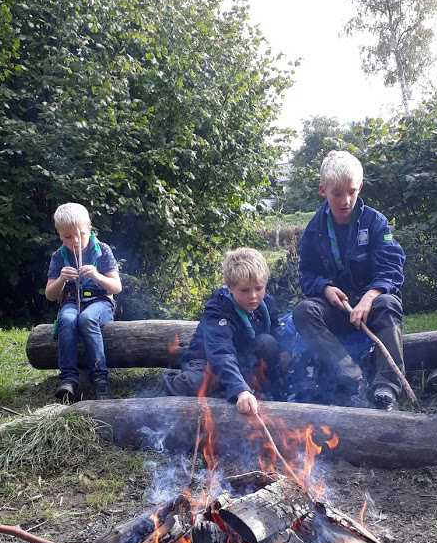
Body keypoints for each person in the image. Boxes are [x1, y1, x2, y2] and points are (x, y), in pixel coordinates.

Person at [292, 150, 406, 409]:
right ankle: (350, 375)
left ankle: (386, 387)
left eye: (352, 192)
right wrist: (325, 288)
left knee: (389, 303)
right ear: (323, 190)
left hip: (371, 308)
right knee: (304, 311)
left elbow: (392, 267)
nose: (346, 200)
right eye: (337, 194)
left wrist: (370, 296)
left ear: (360, 187)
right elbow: (307, 274)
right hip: (336, 309)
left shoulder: (375, 222)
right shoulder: (314, 229)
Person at [163, 247, 282, 415]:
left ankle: (262, 389)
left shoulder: (267, 304)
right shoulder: (217, 310)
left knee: (268, 342)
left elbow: (277, 334)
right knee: (195, 384)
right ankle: (171, 381)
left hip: (243, 360)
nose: (253, 296)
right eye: (245, 290)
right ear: (231, 288)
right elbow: (221, 352)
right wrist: (241, 390)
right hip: (208, 360)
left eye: (258, 288)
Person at [45, 203, 122, 402]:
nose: (75, 241)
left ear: (89, 228)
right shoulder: (59, 256)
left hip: (101, 302)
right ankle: (68, 379)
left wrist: (97, 276)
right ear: (60, 235)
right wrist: (61, 279)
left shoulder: (102, 250)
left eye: (80, 234)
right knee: (68, 319)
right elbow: (50, 295)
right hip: (71, 302)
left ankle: (100, 379)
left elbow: (116, 287)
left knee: (87, 319)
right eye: (68, 237)